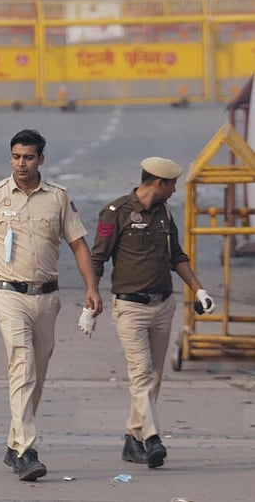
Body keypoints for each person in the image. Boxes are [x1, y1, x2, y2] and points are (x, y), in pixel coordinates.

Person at [0, 129, 103, 481]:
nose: (21, 164)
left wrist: (91, 288)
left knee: (35, 377)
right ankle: (27, 451)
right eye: (16, 157)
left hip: (48, 297)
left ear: (41, 159)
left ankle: (13, 444)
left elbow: (79, 245)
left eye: (28, 157)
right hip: (8, 294)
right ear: (11, 158)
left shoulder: (57, 198)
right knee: (21, 366)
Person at [90, 157, 215, 469]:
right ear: (158, 182)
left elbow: (177, 256)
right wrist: (89, 301)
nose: (175, 190)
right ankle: (153, 438)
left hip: (163, 306)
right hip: (130, 308)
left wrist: (198, 290)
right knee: (141, 374)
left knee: (154, 377)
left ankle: (133, 439)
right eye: (171, 184)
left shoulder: (165, 213)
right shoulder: (115, 212)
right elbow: (97, 259)